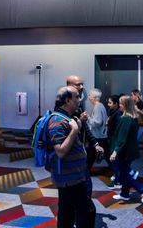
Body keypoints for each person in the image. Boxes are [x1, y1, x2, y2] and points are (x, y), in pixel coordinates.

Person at [47, 86, 96, 228]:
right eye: (76, 97)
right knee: (87, 212)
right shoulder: (57, 120)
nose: (79, 100)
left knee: (67, 212)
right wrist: (75, 130)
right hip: (69, 178)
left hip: (72, 176)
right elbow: (60, 151)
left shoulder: (65, 118)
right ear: (67, 100)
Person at [110, 95, 143, 203]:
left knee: (123, 174)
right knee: (124, 172)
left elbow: (122, 137)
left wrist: (115, 151)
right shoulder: (132, 117)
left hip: (125, 152)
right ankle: (125, 194)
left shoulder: (126, 119)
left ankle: (142, 188)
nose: (119, 106)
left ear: (126, 106)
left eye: (121, 104)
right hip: (129, 150)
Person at [65, 75, 104, 169]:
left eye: (82, 84)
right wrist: (80, 121)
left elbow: (84, 125)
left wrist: (95, 143)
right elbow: (64, 125)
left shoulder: (78, 104)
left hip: (78, 146)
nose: (82, 87)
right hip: (69, 148)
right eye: (78, 85)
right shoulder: (64, 104)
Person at [105, 94, 123, 188]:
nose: (108, 104)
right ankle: (118, 179)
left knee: (114, 160)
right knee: (114, 160)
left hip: (114, 140)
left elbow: (118, 130)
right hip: (112, 139)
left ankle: (118, 181)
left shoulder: (117, 114)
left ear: (116, 103)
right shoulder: (113, 112)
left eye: (110, 103)